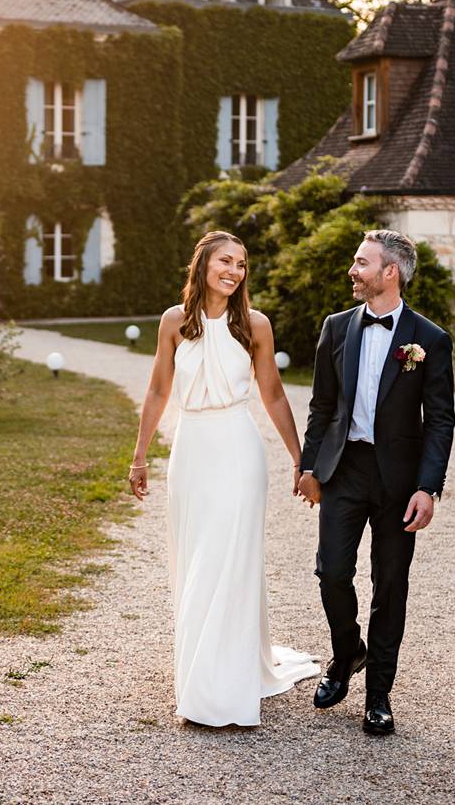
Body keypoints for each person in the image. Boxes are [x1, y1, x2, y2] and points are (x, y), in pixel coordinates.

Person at [129, 230, 320, 726]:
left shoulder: (255, 325)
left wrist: (300, 459)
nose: (234, 271)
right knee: (196, 560)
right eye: (225, 261)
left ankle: (221, 687)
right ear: (203, 264)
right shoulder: (174, 321)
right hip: (191, 451)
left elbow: (274, 395)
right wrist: (140, 456)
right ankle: (200, 668)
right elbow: (156, 390)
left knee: (229, 561)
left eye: (241, 264)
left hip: (237, 450)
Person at [296, 229, 455, 736]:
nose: (353, 270)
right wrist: (308, 466)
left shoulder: (429, 340)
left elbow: (440, 421)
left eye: (362, 262)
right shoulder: (336, 328)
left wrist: (427, 488)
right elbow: (322, 406)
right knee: (332, 572)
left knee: (390, 585)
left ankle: (379, 695)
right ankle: (347, 653)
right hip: (344, 469)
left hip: (399, 481)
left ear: (390, 272)